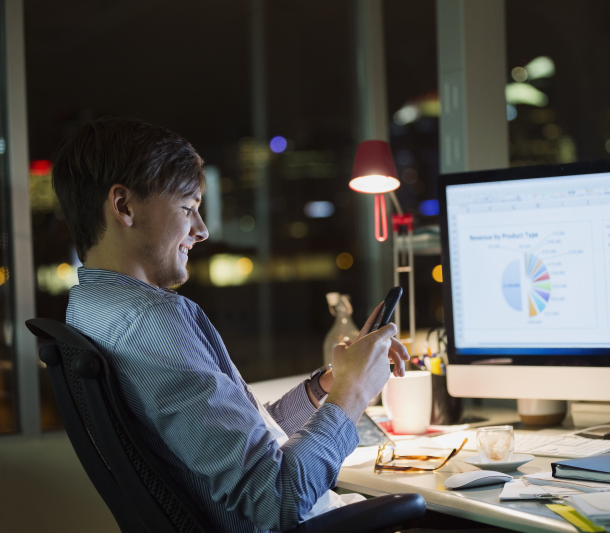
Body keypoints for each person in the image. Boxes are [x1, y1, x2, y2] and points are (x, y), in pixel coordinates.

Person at [52, 117, 411, 533]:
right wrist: (355, 391)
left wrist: (328, 386)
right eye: (188, 208)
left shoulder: (89, 310)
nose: (201, 230)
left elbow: (245, 446)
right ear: (124, 206)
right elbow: (276, 498)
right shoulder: (152, 321)